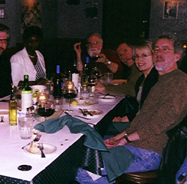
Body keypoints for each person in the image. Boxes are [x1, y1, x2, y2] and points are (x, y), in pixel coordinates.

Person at [76, 34, 187, 183]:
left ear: (177, 56)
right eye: (156, 49)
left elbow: (160, 122)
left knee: (81, 167)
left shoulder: (180, 81)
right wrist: (118, 137)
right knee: (83, 148)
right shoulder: (162, 81)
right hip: (140, 145)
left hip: (148, 151)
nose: (158, 53)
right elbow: (141, 119)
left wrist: (125, 139)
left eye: (165, 49)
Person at [113, 40, 159, 122]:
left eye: (144, 55)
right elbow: (140, 108)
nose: (139, 60)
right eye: (137, 56)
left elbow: (151, 115)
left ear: (154, 56)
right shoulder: (141, 79)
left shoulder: (156, 80)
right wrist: (125, 119)